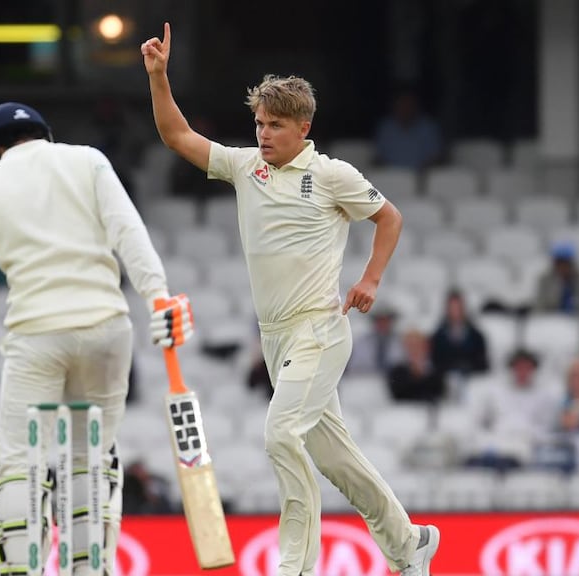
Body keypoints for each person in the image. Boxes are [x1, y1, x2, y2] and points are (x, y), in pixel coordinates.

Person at [142, 23, 438, 576]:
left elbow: (389, 218)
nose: (263, 134)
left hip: (319, 329)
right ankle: (409, 541)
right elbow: (177, 136)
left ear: (304, 127)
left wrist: (371, 279)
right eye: (258, 123)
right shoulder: (244, 167)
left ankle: (296, 567)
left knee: (280, 436)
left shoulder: (331, 176)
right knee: (336, 460)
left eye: (275, 125)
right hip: (275, 337)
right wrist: (159, 77)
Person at [0, 101, 191, 574]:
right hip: (107, 331)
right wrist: (160, 299)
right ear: (43, 134)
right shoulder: (89, 160)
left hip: (39, 337)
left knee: (18, 465)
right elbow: (129, 233)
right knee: (89, 462)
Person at [374, 88, 443, 171]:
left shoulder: (428, 128)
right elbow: (378, 157)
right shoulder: (386, 128)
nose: (405, 109)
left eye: (409, 105)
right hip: (391, 176)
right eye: (402, 105)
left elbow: (436, 156)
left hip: (421, 177)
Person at [429, 290, 489, 378]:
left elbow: (483, 364)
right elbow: (435, 363)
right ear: (447, 309)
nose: (455, 311)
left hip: (472, 379)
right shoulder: (438, 337)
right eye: (452, 307)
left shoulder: (477, 336)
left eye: (458, 307)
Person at [533, 242, 579, 317]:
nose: (562, 267)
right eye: (559, 263)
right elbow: (540, 306)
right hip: (552, 322)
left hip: (578, 321)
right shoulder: (545, 281)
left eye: (565, 263)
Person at [387, 330, 445, 403]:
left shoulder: (437, 370)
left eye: (417, 345)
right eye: (410, 346)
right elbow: (398, 395)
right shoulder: (397, 372)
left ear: (426, 347)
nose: (414, 349)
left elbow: (438, 393)